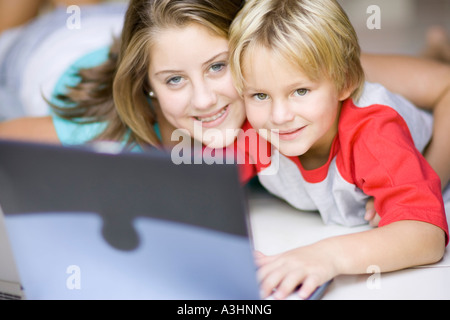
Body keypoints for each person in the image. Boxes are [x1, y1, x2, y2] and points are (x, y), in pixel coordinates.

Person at [0, 0, 449, 228]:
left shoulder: (283, 68)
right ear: (148, 89)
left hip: (152, 26)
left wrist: (422, 178)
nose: (204, 102)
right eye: (174, 82)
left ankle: (428, 54)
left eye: (219, 67)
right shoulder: (111, 130)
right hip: (43, 44)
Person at [228, 0, 449, 300]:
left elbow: (427, 234)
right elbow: (196, 185)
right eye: (260, 95)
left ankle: (438, 51)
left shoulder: (373, 134)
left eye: (301, 91)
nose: (279, 116)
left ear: (346, 83)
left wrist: (326, 257)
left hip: (424, 128)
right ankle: (434, 50)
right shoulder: (254, 130)